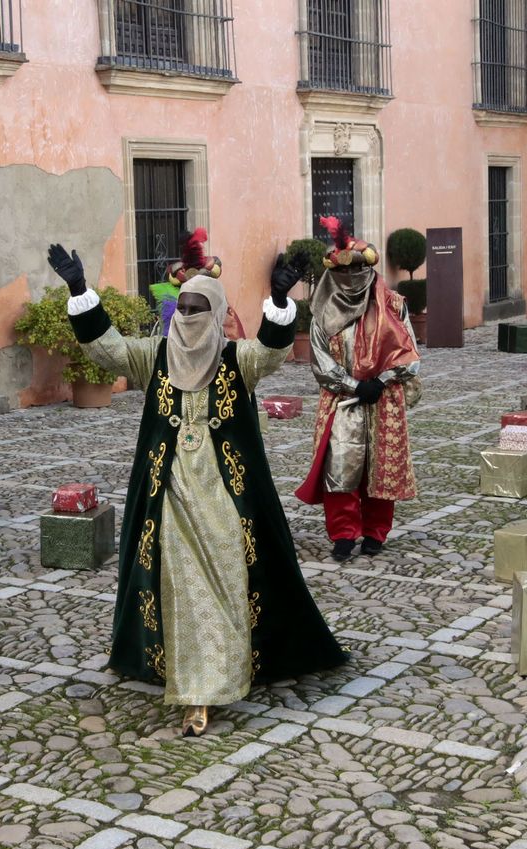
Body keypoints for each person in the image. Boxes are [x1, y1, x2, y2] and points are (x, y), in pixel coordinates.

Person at [45, 242, 346, 737]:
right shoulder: (155, 355)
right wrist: (80, 289)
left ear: (218, 312)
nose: (186, 316)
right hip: (168, 497)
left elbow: (271, 353)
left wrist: (278, 300)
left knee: (228, 580)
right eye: (181, 307)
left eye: (197, 308)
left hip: (226, 499)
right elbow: (107, 349)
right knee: (181, 584)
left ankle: (228, 668)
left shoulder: (237, 360)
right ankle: (197, 690)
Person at [294, 217, 419, 561]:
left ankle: (376, 531)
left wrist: (381, 381)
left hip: (384, 398)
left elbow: (410, 355)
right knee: (340, 466)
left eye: (357, 270)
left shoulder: (394, 305)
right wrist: (352, 385)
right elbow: (320, 361)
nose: (350, 277)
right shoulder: (322, 312)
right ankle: (343, 534)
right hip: (341, 400)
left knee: (381, 467)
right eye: (343, 272)